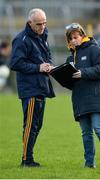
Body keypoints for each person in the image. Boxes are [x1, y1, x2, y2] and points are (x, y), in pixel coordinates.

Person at [65, 23, 100, 168]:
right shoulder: (70, 59)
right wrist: (61, 77)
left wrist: (83, 73)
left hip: (96, 96)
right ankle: (89, 164)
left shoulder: (94, 49)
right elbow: (70, 83)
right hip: (80, 99)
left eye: (76, 37)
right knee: (86, 133)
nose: (74, 40)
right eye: (71, 38)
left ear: (82, 36)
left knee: (98, 128)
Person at [10, 8, 55, 167]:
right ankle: (26, 160)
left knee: (37, 125)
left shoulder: (43, 35)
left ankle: (29, 158)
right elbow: (15, 63)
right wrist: (38, 68)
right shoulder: (21, 39)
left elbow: (47, 55)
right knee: (30, 125)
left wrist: (48, 65)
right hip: (29, 89)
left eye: (44, 23)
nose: (42, 27)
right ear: (30, 23)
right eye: (38, 24)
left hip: (41, 86)